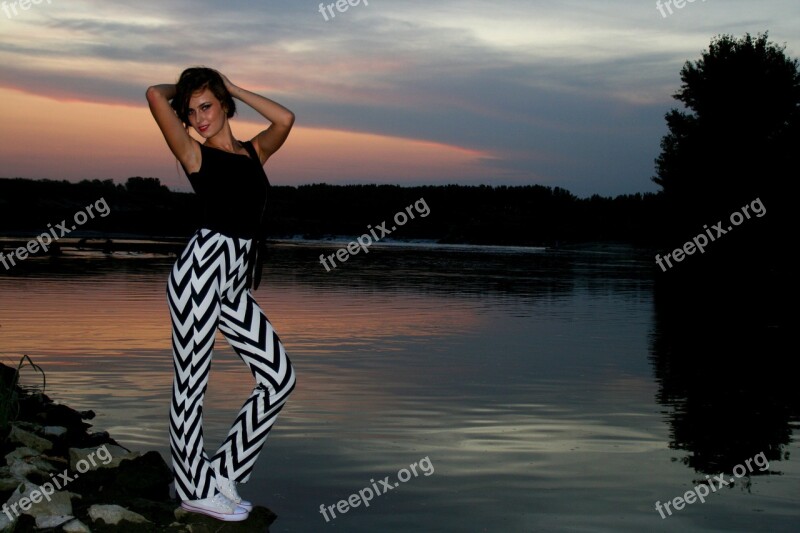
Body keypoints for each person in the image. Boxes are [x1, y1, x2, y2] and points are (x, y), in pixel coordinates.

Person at [146, 67, 297, 522]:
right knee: (191, 382)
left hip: (233, 281)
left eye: (206, 106)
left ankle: (222, 472)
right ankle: (193, 487)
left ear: (226, 105)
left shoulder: (253, 153)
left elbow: (286, 119)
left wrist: (226, 84)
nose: (198, 117)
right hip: (200, 271)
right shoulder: (194, 154)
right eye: (191, 112)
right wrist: (193, 85)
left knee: (278, 376)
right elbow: (154, 94)